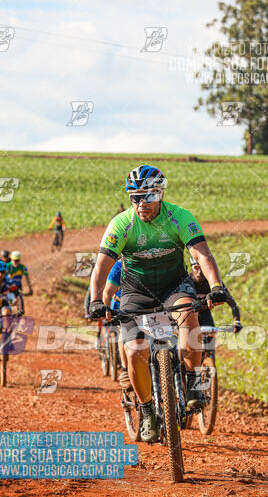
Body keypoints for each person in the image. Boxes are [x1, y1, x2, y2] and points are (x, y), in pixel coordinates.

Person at [89, 164, 242, 442]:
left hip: (174, 285)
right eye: (134, 197)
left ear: (160, 194)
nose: (140, 203)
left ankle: (194, 382)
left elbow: (203, 255)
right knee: (135, 350)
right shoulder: (122, 224)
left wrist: (217, 286)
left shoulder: (179, 217)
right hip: (136, 290)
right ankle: (147, 410)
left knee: (189, 316)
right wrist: (97, 300)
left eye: (146, 196)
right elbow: (101, 267)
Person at [189, 257, 241, 331]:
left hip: (205, 315)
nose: (200, 271)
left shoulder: (214, 283)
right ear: (191, 268)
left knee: (210, 340)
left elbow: (233, 304)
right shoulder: (186, 282)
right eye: (196, 268)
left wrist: (237, 322)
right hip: (188, 316)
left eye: (203, 268)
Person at [102, 260, 130, 389]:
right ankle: (125, 369)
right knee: (123, 331)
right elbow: (107, 293)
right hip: (121, 307)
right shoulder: (119, 266)